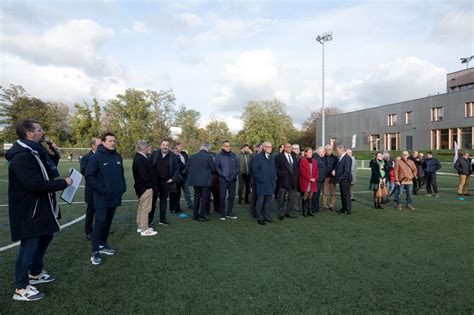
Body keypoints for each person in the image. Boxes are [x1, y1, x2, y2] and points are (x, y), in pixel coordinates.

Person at [6, 120, 73, 301]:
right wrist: (63, 183)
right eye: (39, 129)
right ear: (29, 134)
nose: (42, 132)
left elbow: (48, 170)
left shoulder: (35, 151)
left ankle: (35, 273)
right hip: (30, 210)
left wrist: (54, 155)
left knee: (47, 235)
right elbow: (34, 184)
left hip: (41, 206)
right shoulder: (22, 156)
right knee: (29, 244)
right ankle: (21, 288)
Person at [85, 132, 126, 265]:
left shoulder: (118, 156)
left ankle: (103, 245)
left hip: (114, 197)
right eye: (109, 141)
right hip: (102, 198)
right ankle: (95, 251)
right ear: (103, 142)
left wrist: (122, 187)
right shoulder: (96, 157)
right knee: (100, 223)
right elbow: (89, 176)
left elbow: (121, 174)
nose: (112, 143)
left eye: (114, 140)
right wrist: (103, 190)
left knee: (108, 222)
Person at [149, 139, 180, 226]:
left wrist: (173, 178)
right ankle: (149, 220)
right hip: (154, 182)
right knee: (152, 202)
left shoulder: (173, 156)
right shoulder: (154, 154)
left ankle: (162, 219)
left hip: (166, 182)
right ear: (160, 146)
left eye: (166, 145)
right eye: (163, 145)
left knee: (163, 201)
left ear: (169, 147)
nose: (165, 147)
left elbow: (177, 169)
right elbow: (148, 165)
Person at [132, 140, 157, 236]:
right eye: (148, 147)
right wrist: (149, 186)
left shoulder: (139, 157)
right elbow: (144, 176)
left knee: (141, 207)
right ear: (144, 148)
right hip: (144, 188)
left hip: (141, 187)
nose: (149, 149)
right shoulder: (141, 159)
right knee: (145, 208)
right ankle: (144, 229)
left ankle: (140, 225)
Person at [187, 142, 216, 221]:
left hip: (195, 181)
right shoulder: (208, 156)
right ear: (207, 148)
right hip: (205, 181)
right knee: (204, 199)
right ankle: (201, 216)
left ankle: (194, 215)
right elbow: (213, 169)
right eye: (209, 148)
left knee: (196, 197)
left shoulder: (192, 156)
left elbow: (188, 168)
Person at [80, 137, 102, 241]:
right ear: (93, 145)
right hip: (92, 190)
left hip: (102, 189)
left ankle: (101, 228)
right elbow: (84, 171)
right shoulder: (86, 157)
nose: (101, 146)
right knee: (91, 211)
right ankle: (88, 231)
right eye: (99, 145)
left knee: (102, 210)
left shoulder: (104, 156)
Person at [252, 141, 277, 225]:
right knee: (260, 201)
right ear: (264, 148)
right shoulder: (258, 157)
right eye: (268, 147)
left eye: (271, 147)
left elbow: (274, 169)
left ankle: (267, 216)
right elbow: (255, 170)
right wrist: (261, 179)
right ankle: (259, 217)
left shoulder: (272, 157)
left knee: (268, 201)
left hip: (271, 183)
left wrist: (274, 178)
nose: (270, 148)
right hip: (262, 183)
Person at [215, 140, 240, 220]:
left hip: (232, 180)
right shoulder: (219, 155)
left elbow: (237, 167)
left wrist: (234, 175)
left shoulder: (233, 155)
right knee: (222, 197)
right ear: (223, 147)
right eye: (226, 146)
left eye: (229, 145)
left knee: (232, 197)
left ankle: (229, 212)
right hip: (223, 180)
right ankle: (222, 213)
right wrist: (223, 175)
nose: (228, 147)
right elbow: (217, 167)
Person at [275, 143, 299, 220]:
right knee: (281, 198)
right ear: (284, 148)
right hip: (283, 180)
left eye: (290, 147)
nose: (290, 148)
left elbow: (296, 167)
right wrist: (281, 174)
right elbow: (275, 167)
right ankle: (281, 213)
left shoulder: (294, 155)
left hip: (293, 180)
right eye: (288, 147)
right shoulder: (279, 156)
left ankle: (288, 212)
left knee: (291, 198)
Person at [169, 143, 191, 213]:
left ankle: (189, 204)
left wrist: (186, 169)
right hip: (177, 178)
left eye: (181, 146)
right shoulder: (172, 156)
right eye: (180, 147)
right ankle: (175, 208)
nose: (181, 147)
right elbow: (175, 167)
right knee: (176, 193)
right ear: (176, 147)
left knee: (187, 191)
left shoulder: (184, 153)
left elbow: (188, 162)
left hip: (185, 177)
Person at [299, 147, 319, 217]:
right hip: (306, 181)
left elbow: (316, 171)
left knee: (310, 196)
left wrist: (315, 178)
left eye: (311, 152)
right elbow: (302, 172)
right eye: (309, 152)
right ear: (305, 153)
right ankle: (304, 211)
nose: (310, 153)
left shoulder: (314, 161)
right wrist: (309, 178)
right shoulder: (303, 161)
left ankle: (309, 210)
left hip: (313, 181)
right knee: (305, 195)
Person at [334, 145, 352, 215]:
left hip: (345, 179)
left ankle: (347, 210)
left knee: (346, 195)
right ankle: (344, 208)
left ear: (341, 150)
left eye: (337, 150)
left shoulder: (347, 158)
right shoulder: (342, 157)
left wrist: (339, 178)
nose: (337, 152)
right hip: (343, 179)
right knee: (343, 194)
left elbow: (346, 171)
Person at [249, 143, 263, 218]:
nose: (262, 149)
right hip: (255, 180)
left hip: (263, 181)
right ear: (257, 148)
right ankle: (253, 211)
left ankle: (260, 210)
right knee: (254, 196)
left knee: (261, 196)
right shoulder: (253, 156)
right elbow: (251, 168)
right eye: (261, 148)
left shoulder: (266, 157)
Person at [322, 145, 338, 211]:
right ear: (325, 150)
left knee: (333, 193)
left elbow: (337, 166)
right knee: (324, 192)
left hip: (332, 178)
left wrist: (334, 170)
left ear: (331, 150)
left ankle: (331, 205)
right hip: (325, 177)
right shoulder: (322, 157)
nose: (328, 150)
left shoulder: (335, 158)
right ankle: (324, 205)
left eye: (330, 149)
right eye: (327, 149)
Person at [312, 146, 327, 213]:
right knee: (315, 194)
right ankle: (313, 208)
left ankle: (316, 207)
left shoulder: (319, 158)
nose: (325, 152)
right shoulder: (316, 158)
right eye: (323, 151)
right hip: (317, 180)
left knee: (317, 194)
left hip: (319, 180)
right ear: (319, 151)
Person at [291, 144, 303, 212]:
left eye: (298, 148)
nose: (297, 150)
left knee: (299, 193)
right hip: (294, 178)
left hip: (299, 178)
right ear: (292, 149)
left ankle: (299, 206)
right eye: (295, 148)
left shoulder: (299, 157)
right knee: (295, 194)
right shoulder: (292, 157)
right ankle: (295, 207)